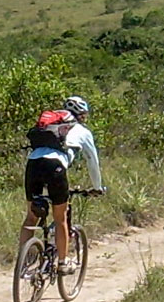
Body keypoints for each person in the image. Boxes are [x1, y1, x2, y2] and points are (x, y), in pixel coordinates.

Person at [21, 94, 103, 272]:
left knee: (31, 216)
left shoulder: (50, 126)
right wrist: (97, 187)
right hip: (55, 166)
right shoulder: (82, 131)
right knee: (60, 218)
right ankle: (63, 263)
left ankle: (23, 262)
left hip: (33, 164)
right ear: (81, 115)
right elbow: (92, 161)